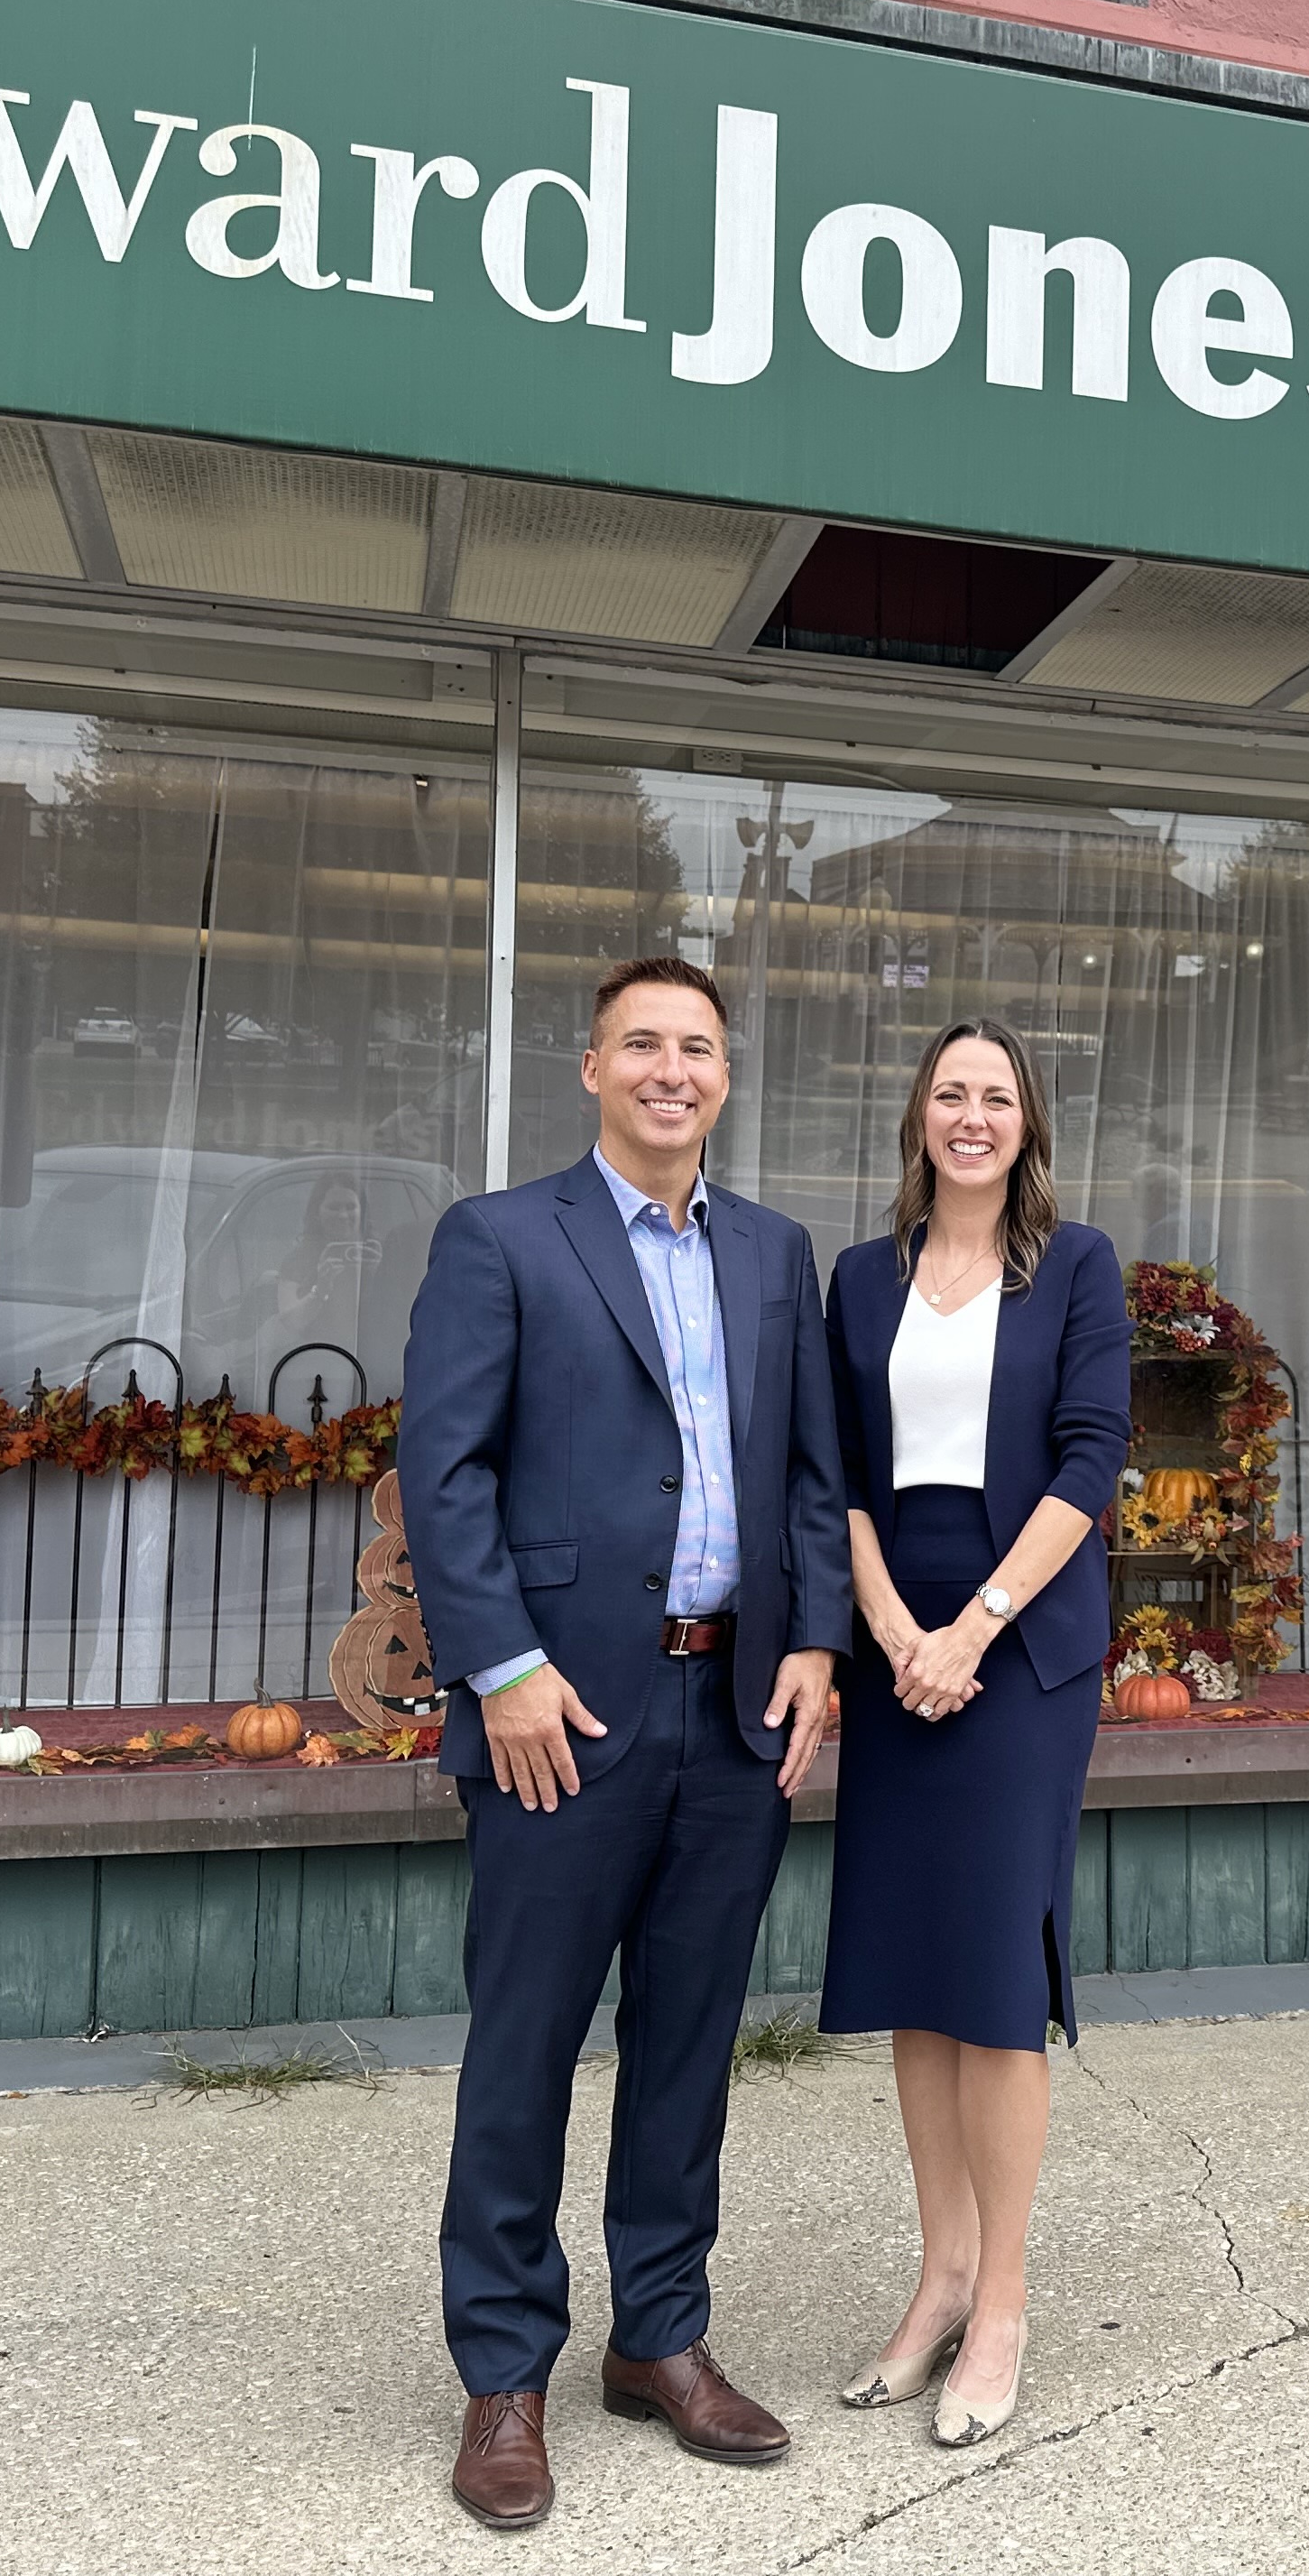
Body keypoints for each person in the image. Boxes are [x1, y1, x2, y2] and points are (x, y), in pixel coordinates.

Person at [399, 956, 851, 2534]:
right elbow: (441, 1470)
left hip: (731, 1713)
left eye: (700, 1049)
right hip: (559, 1715)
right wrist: (499, 1667)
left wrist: (812, 1643)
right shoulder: (503, 1239)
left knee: (690, 2043)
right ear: (591, 1068)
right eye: (643, 1046)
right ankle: (504, 2372)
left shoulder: (777, 1254)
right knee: (524, 2044)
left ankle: (658, 2336)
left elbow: (812, 1472)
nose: (673, 1071)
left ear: (728, 1077)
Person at [819, 1017, 1130, 2449]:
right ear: (917, 1116)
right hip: (903, 1643)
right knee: (914, 1971)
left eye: (996, 1096)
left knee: (996, 1976)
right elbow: (846, 1480)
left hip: (1021, 1643)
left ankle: (1002, 2294)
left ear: (1028, 1123)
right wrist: (889, 1629)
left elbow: (1090, 1460)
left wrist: (976, 1628)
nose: (972, 1115)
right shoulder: (859, 1278)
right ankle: (940, 2274)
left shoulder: (1075, 1267)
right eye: (950, 1092)